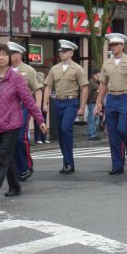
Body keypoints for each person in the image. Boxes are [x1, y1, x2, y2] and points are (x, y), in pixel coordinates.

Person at [0, 45, 47, 198]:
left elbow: (28, 100)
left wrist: (39, 119)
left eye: (4, 55)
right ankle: (15, 186)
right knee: (8, 156)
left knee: (4, 154)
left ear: (8, 58)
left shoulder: (16, 78)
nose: (1, 57)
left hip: (13, 122)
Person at [95, 33, 127, 175]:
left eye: (116, 45)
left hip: (125, 97)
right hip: (111, 98)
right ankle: (117, 164)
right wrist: (99, 102)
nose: (113, 47)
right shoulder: (107, 63)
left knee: (123, 129)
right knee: (113, 134)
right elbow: (103, 84)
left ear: (122, 46)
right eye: (111, 45)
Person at [43, 39, 88, 174]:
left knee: (65, 129)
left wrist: (82, 107)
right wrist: (45, 102)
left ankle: (68, 162)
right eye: (60, 51)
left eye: (65, 51)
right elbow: (48, 86)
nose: (62, 53)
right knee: (61, 134)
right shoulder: (54, 69)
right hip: (57, 102)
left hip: (71, 102)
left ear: (71, 53)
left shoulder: (77, 69)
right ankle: (67, 161)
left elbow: (84, 88)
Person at [8, 41, 44, 181]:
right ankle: (19, 166)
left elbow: (37, 89)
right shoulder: (6, 71)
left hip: (23, 107)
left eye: (12, 54)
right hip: (8, 109)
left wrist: (38, 109)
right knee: (12, 139)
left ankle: (27, 166)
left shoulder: (28, 70)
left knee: (20, 137)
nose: (9, 57)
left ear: (18, 55)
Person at [86, 69, 101, 141]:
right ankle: (91, 134)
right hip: (92, 103)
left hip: (96, 103)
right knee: (91, 118)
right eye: (99, 73)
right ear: (96, 74)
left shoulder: (96, 82)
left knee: (95, 119)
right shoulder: (91, 82)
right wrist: (87, 101)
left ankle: (94, 133)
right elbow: (88, 93)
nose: (100, 74)